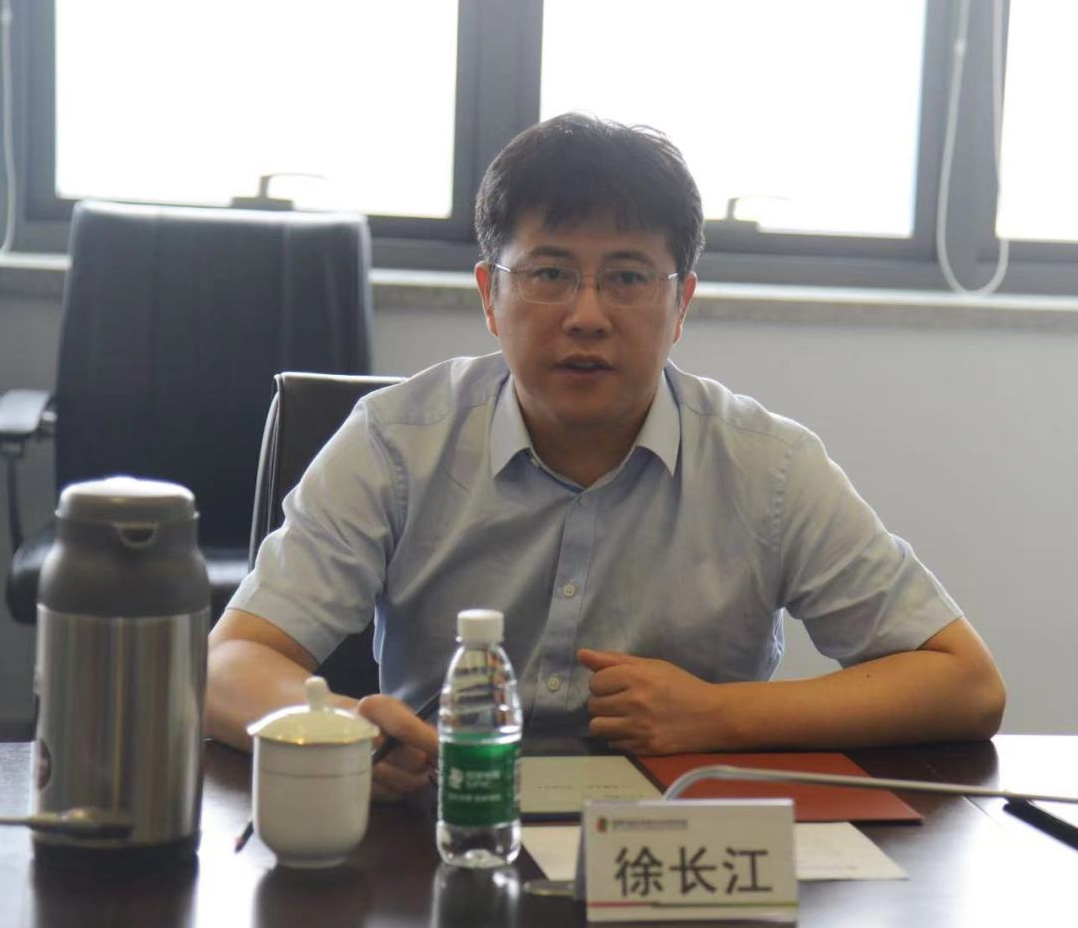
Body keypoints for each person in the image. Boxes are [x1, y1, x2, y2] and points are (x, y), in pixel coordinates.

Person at [206, 113, 1006, 802]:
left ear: (681, 304)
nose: (586, 316)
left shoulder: (768, 468)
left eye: (627, 277)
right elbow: (231, 663)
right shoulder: (394, 442)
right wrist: (346, 735)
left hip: (680, 849)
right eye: (550, 273)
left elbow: (964, 683)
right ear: (490, 296)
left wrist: (719, 715)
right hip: (440, 828)